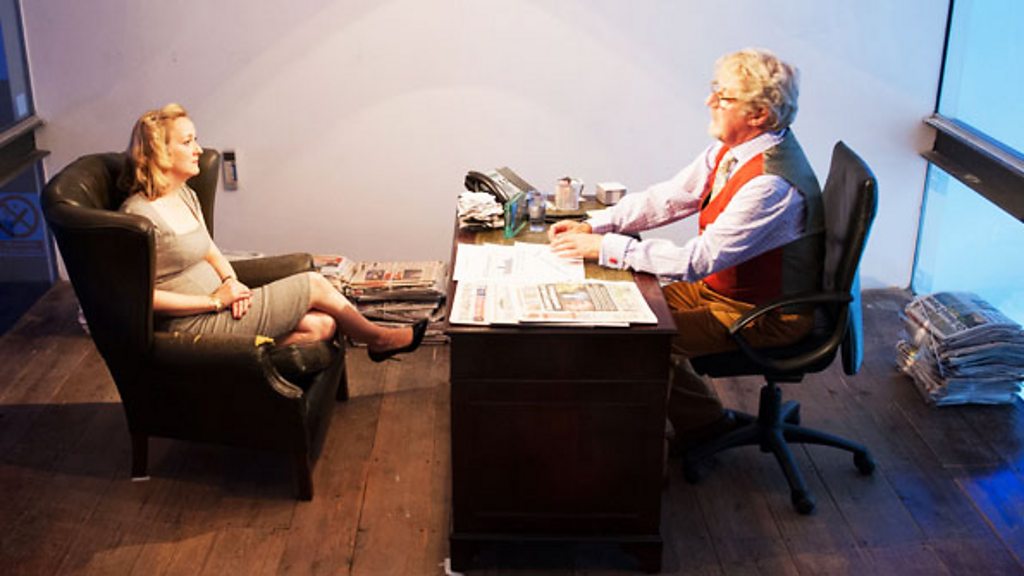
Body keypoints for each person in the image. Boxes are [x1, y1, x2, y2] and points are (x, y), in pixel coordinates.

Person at [548, 48, 823, 448]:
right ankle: (706, 423)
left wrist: (604, 246)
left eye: (724, 97)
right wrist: (597, 224)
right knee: (618, 317)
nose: (710, 101)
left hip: (765, 314)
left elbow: (697, 260)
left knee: (640, 340)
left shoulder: (770, 185)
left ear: (759, 114)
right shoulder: (731, 151)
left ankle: (638, 452)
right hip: (721, 291)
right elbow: (670, 198)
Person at [120, 103, 425, 362]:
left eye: (195, 140)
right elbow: (140, 297)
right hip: (192, 323)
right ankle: (379, 339)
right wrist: (214, 301)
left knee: (321, 326)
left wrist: (231, 283)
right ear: (160, 151)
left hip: (224, 304)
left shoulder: (184, 195)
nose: (198, 149)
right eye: (187, 142)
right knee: (314, 284)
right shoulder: (138, 215)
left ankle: (244, 356)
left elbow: (211, 251)